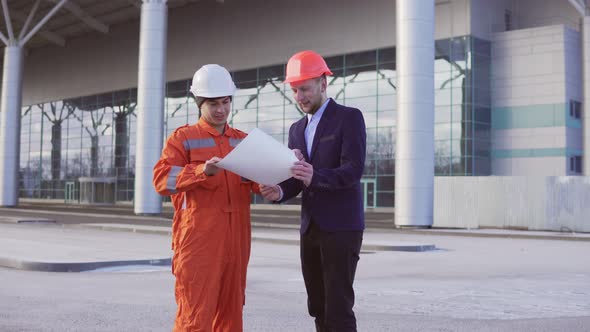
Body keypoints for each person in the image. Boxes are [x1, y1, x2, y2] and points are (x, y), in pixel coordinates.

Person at [260, 50, 367, 332]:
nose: (299, 96)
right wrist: (279, 192)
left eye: (305, 89)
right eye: (295, 90)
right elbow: (298, 179)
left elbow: (353, 170)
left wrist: (314, 175)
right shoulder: (296, 129)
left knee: (338, 307)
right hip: (310, 228)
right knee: (318, 305)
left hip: (342, 227)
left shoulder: (349, 118)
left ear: (323, 83)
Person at [153, 64, 259, 332]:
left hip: (236, 244)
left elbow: (261, 179)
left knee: (231, 315)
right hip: (199, 243)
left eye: (225, 102)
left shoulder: (243, 142)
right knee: (195, 316)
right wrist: (202, 171)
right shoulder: (183, 139)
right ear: (199, 103)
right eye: (213, 103)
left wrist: (281, 176)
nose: (221, 109)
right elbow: (162, 180)